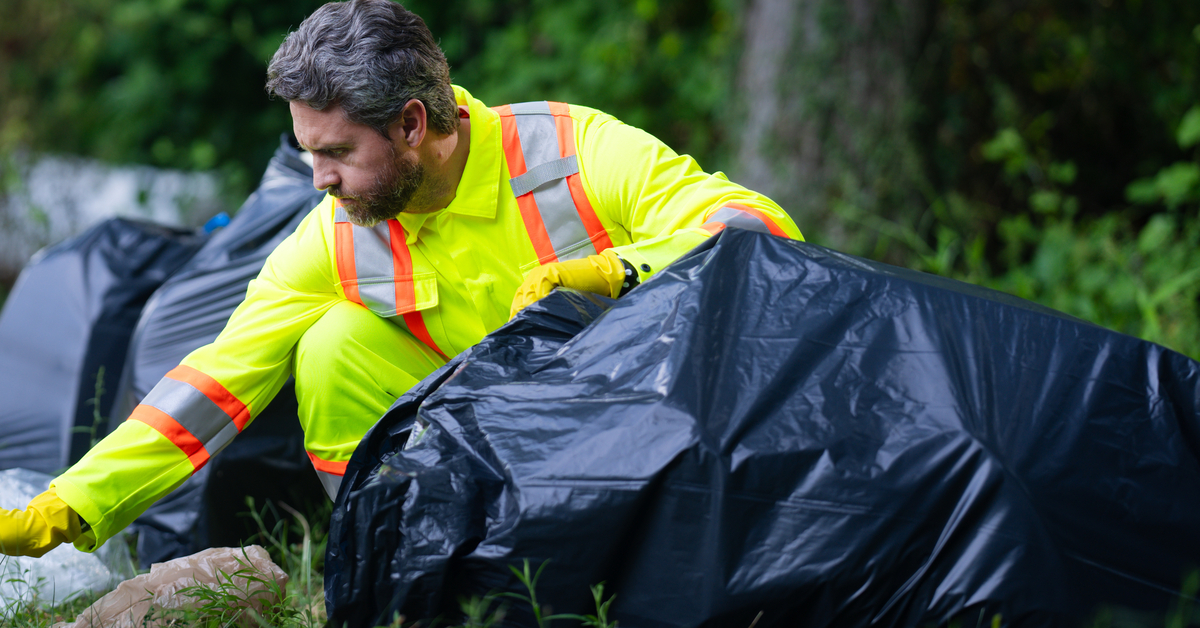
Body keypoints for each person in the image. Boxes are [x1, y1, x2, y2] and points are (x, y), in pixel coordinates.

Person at [0, 0, 802, 558]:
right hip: (504, 473)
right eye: (307, 151)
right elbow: (213, 380)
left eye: (336, 153)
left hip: (650, 444)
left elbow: (763, 229)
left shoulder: (575, 150)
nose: (316, 178)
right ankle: (395, 561)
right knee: (333, 345)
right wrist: (72, 505)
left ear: (414, 124)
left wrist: (618, 272)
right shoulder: (337, 236)